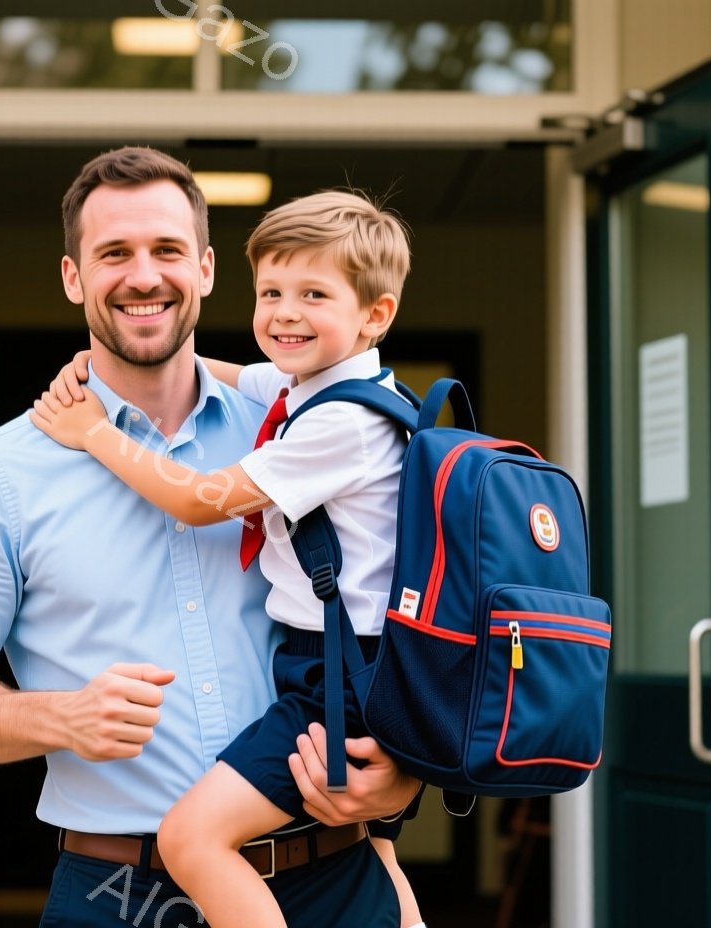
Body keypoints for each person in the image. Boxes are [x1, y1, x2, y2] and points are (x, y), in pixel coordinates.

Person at [0, 147, 422, 927]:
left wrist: (402, 769)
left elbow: (403, 607)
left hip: (335, 875)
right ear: (74, 278)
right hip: (119, 897)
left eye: (167, 251)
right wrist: (58, 717)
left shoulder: (289, 426)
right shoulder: (2, 471)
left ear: (204, 270)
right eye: (114, 254)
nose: (144, 276)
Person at [32, 190, 422, 928]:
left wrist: (96, 433)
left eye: (313, 294)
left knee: (192, 837)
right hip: (340, 666)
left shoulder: (340, 421)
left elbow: (201, 499)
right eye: (271, 292)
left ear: (376, 315)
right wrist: (104, 356)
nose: (284, 314)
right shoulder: (317, 383)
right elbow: (230, 371)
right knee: (374, 846)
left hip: (335, 676)